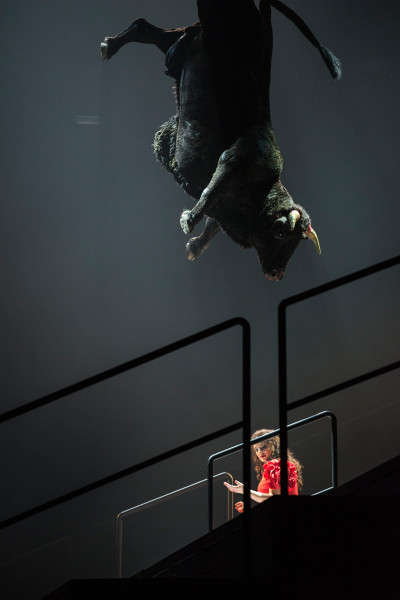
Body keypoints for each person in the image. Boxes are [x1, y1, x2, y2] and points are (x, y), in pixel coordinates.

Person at [224, 429, 303, 513]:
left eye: (263, 447)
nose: (260, 452)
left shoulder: (275, 465)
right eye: (257, 450)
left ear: (274, 446)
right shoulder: (274, 466)